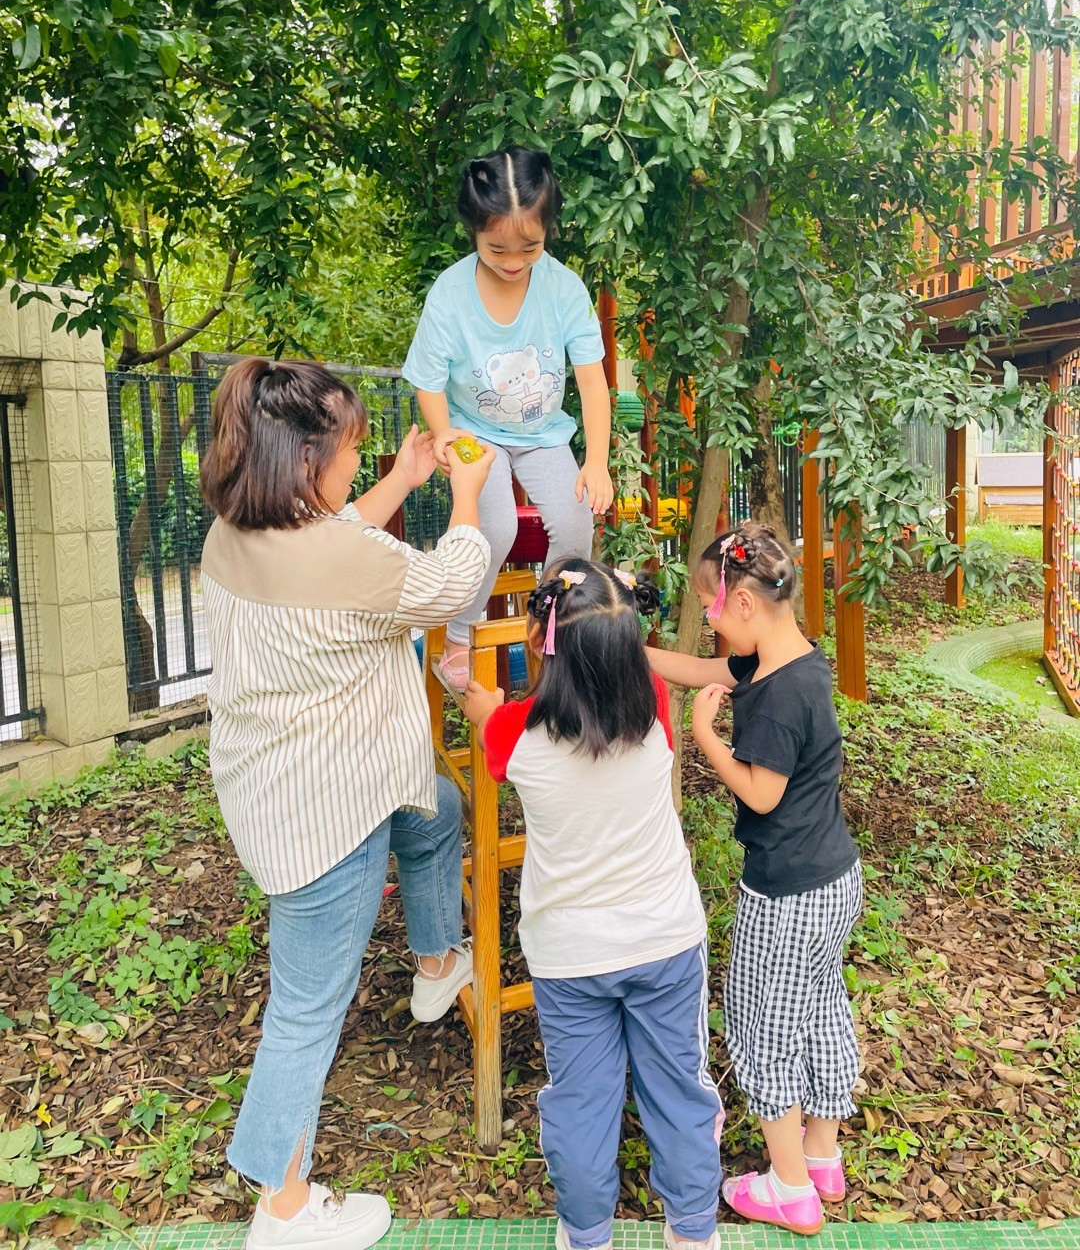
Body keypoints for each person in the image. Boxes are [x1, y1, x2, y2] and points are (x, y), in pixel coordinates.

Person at [198, 358, 495, 1250]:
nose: (357, 462)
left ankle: (436, 961)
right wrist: (466, 497)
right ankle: (283, 1207)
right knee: (305, 1008)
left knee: (435, 811)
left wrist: (400, 479)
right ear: (305, 462)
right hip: (327, 816)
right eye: (352, 451)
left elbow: (336, 540)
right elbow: (451, 586)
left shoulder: (235, 532)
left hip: (283, 781)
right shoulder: (341, 556)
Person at [464, 560, 723, 1250]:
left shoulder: (513, 733)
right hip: (665, 939)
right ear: (629, 642)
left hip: (568, 954)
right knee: (679, 1089)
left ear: (537, 639)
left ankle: (585, 1233)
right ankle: (692, 1229)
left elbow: (487, 720)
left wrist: (473, 692)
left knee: (580, 1100)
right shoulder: (655, 708)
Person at [648, 522, 862, 1237]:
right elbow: (706, 669)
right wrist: (632, 651)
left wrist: (705, 738)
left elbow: (762, 794)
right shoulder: (796, 661)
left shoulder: (772, 699)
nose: (710, 624)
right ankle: (821, 1155)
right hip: (833, 878)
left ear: (743, 603)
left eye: (711, 609)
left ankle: (790, 1189)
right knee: (821, 1008)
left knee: (760, 1025)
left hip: (786, 891)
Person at [403, 146, 614, 690]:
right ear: (473, 230)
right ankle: (459, 633)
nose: (514, 261)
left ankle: (555, 630)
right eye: (497, 248)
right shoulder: (450, 294)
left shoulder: (564, 288)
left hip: (543, 433)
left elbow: (593, 382)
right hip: (475, 431)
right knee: (494, 526)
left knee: (575, 523)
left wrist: (596, 462)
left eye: (530, 247)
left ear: (548, 232)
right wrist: (444, 433)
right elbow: (428, 380)